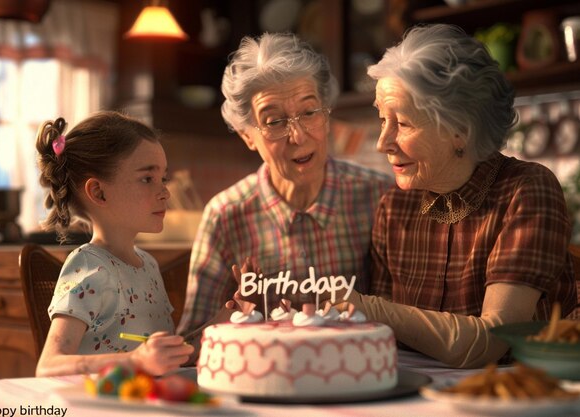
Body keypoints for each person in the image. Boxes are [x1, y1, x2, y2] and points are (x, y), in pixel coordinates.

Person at [342, 24, 576, 368]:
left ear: (460, 131)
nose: (382, 142)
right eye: (382, 120)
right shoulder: (395, 206)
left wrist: (363, 307)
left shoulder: (526, 191)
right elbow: (387, 338)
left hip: (521, 395)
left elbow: (492, 341)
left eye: (403, 123)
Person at [177, 33, 393, 338]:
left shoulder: (379, 196)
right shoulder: (225, 215)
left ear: (327, 113)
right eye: (274, 121)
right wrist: (231, 314)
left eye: (309, 113)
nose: (298, 136)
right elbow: (193, 340)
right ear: (247, 135)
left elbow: (405, 320)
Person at [35, 111, 193, 377]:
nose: (165, 192)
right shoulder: (89, 268)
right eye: (147, 179)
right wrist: (135, 362)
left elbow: (160, 357)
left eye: (163, 178)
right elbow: (49, 366)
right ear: (98, 192)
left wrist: (222, 321)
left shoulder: (149, 265)